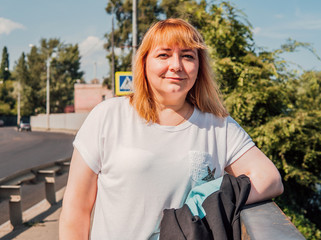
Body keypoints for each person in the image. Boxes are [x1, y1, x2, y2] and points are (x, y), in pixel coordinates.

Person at [59, 18, 283, 240]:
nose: (176, 65)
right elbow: (76, 208)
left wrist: (208, 198)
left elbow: (270, 179)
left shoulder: (218, 125)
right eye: (163, 55)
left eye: (187, 56)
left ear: (199, 67)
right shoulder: (108, 116)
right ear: (144, 63)